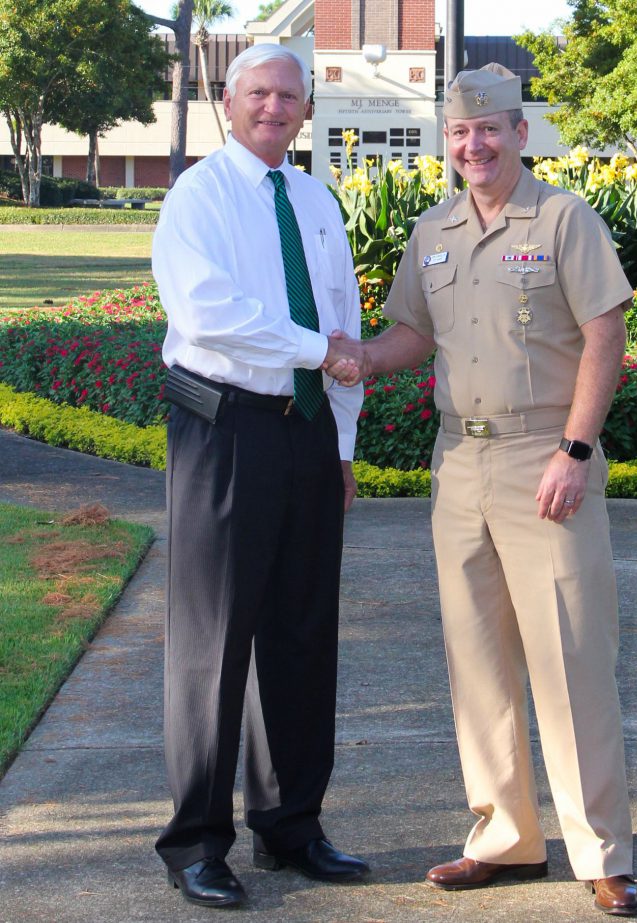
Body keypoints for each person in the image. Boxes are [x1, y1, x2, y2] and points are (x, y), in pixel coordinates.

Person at [328, 63, 637, 916]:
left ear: (519, 133)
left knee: (572, 660)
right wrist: (352, 355)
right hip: (457, 466)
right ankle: (505, 838)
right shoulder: (432, 229)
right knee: (479, 665)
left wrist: (577, 450)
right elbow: (409, 334)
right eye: (460, 133)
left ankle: (599, 852)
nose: (474, 145)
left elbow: (605, 333)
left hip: (546, 460)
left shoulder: (564, 218)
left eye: (490, 130)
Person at [152, 44, 370, 908]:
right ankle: (197, 842)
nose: (275, 107)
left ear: (306, 108)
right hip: (226, 432)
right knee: (214, 643)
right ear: (231, 102)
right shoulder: (197, 196)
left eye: (290, 95)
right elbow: (209, 313)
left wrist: (345, 445)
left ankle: (290, 825)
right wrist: (321, 354)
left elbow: (345, 316)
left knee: (303, 632)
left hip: (309, 435)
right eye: (260, 94)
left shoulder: (316, 199)